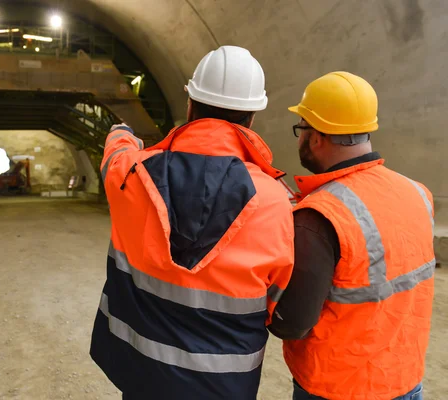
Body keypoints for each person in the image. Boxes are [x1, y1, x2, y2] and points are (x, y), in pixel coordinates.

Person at [89, 46, 295, 399]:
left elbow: (115, 156)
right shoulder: (275, 201)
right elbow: (279, 300)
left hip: (141, 376)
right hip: (224, 385)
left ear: (189, 104)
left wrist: (122, 132)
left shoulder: (131, 174)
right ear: (252, 117)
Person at [269, 71, 435, 400]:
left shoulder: (319, 217)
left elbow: (290, 323)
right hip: (405, 381)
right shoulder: (418, 193)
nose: (300, 139)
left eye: (301, 129)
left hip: (338, 389)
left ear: (316, 136)